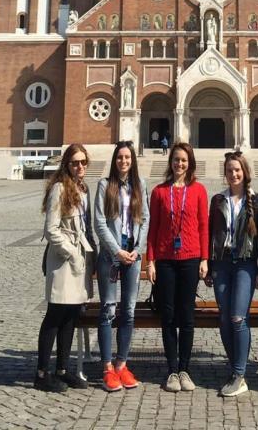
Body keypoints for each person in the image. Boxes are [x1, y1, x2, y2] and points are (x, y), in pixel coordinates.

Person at [205, 151, 258, 397]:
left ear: (245, 172)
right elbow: (211, 234)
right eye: (230, 170)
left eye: (237, 170)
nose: (233, 174)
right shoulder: (218, 200)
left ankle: (240, 375)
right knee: (224, 317)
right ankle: (235, 369)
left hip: (245, 264)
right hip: (221, 264)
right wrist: (209, 267)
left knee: (237, 318)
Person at [147, 141, 209, 392]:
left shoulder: (199, 190)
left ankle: (185, 369)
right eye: (176, 160)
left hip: (191, 258)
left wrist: (205, 258)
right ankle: (172, 370)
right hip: (165, 260)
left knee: (187, 316)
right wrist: (150, 259)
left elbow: (204, 226)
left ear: (190, 163)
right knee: (169, 315)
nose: (179, 164)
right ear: (170, 162)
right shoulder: (159, 191)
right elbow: (153, 229)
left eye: (183, 160)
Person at [35, 143, 94, 393]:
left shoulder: (83, 188)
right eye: (74, 163)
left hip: (80, 260)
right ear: (66, 165)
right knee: (55, 315)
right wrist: (71, 253)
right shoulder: (59, 188)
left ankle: (61, 369)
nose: (79, 167)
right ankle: (41, 373)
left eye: (83, 162)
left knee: (71, 316)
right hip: (63, 261)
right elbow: (51, 229)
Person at [94, 141, 149, 392]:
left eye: (127, 157)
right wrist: (117, 250)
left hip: (133, 256)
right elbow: (99, 223)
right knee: (107, 309)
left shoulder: (140, 185)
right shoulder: (105, 185)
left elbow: (145, 219)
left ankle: (121, 365)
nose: (123, 161)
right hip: (111, 256)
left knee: (128, 311)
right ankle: (107, 368)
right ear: (115, 160)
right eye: (120, 157)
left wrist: (138, 249)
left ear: (133, 160)